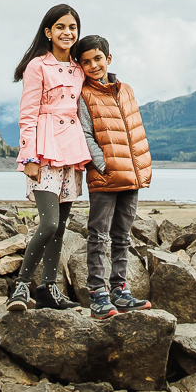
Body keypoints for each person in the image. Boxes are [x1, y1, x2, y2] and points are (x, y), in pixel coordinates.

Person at [9, 3, 90, 312]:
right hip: (44, 150)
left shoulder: (78, 68)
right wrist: (28, 156)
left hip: (72, 149)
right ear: (48, 32)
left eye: (72, 28)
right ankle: (20, 286)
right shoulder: (37, 66)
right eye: (61, 27)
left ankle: (48, 288)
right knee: (48, 223)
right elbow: (27, 114)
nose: (67, 33)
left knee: (61, 226)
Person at [71, 33, 152, 319]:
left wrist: (141, 165)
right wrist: (103, 165)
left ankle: (120, 290)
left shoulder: (126, 90)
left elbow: (134, 129)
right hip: (105, 177)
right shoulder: (84, 94)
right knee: (98, 236)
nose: (93, 65)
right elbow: (85, 134)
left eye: (97, 59)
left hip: (132, 176)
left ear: (109, 58)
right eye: (86, 62)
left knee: (122, 235)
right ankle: (98, 294)